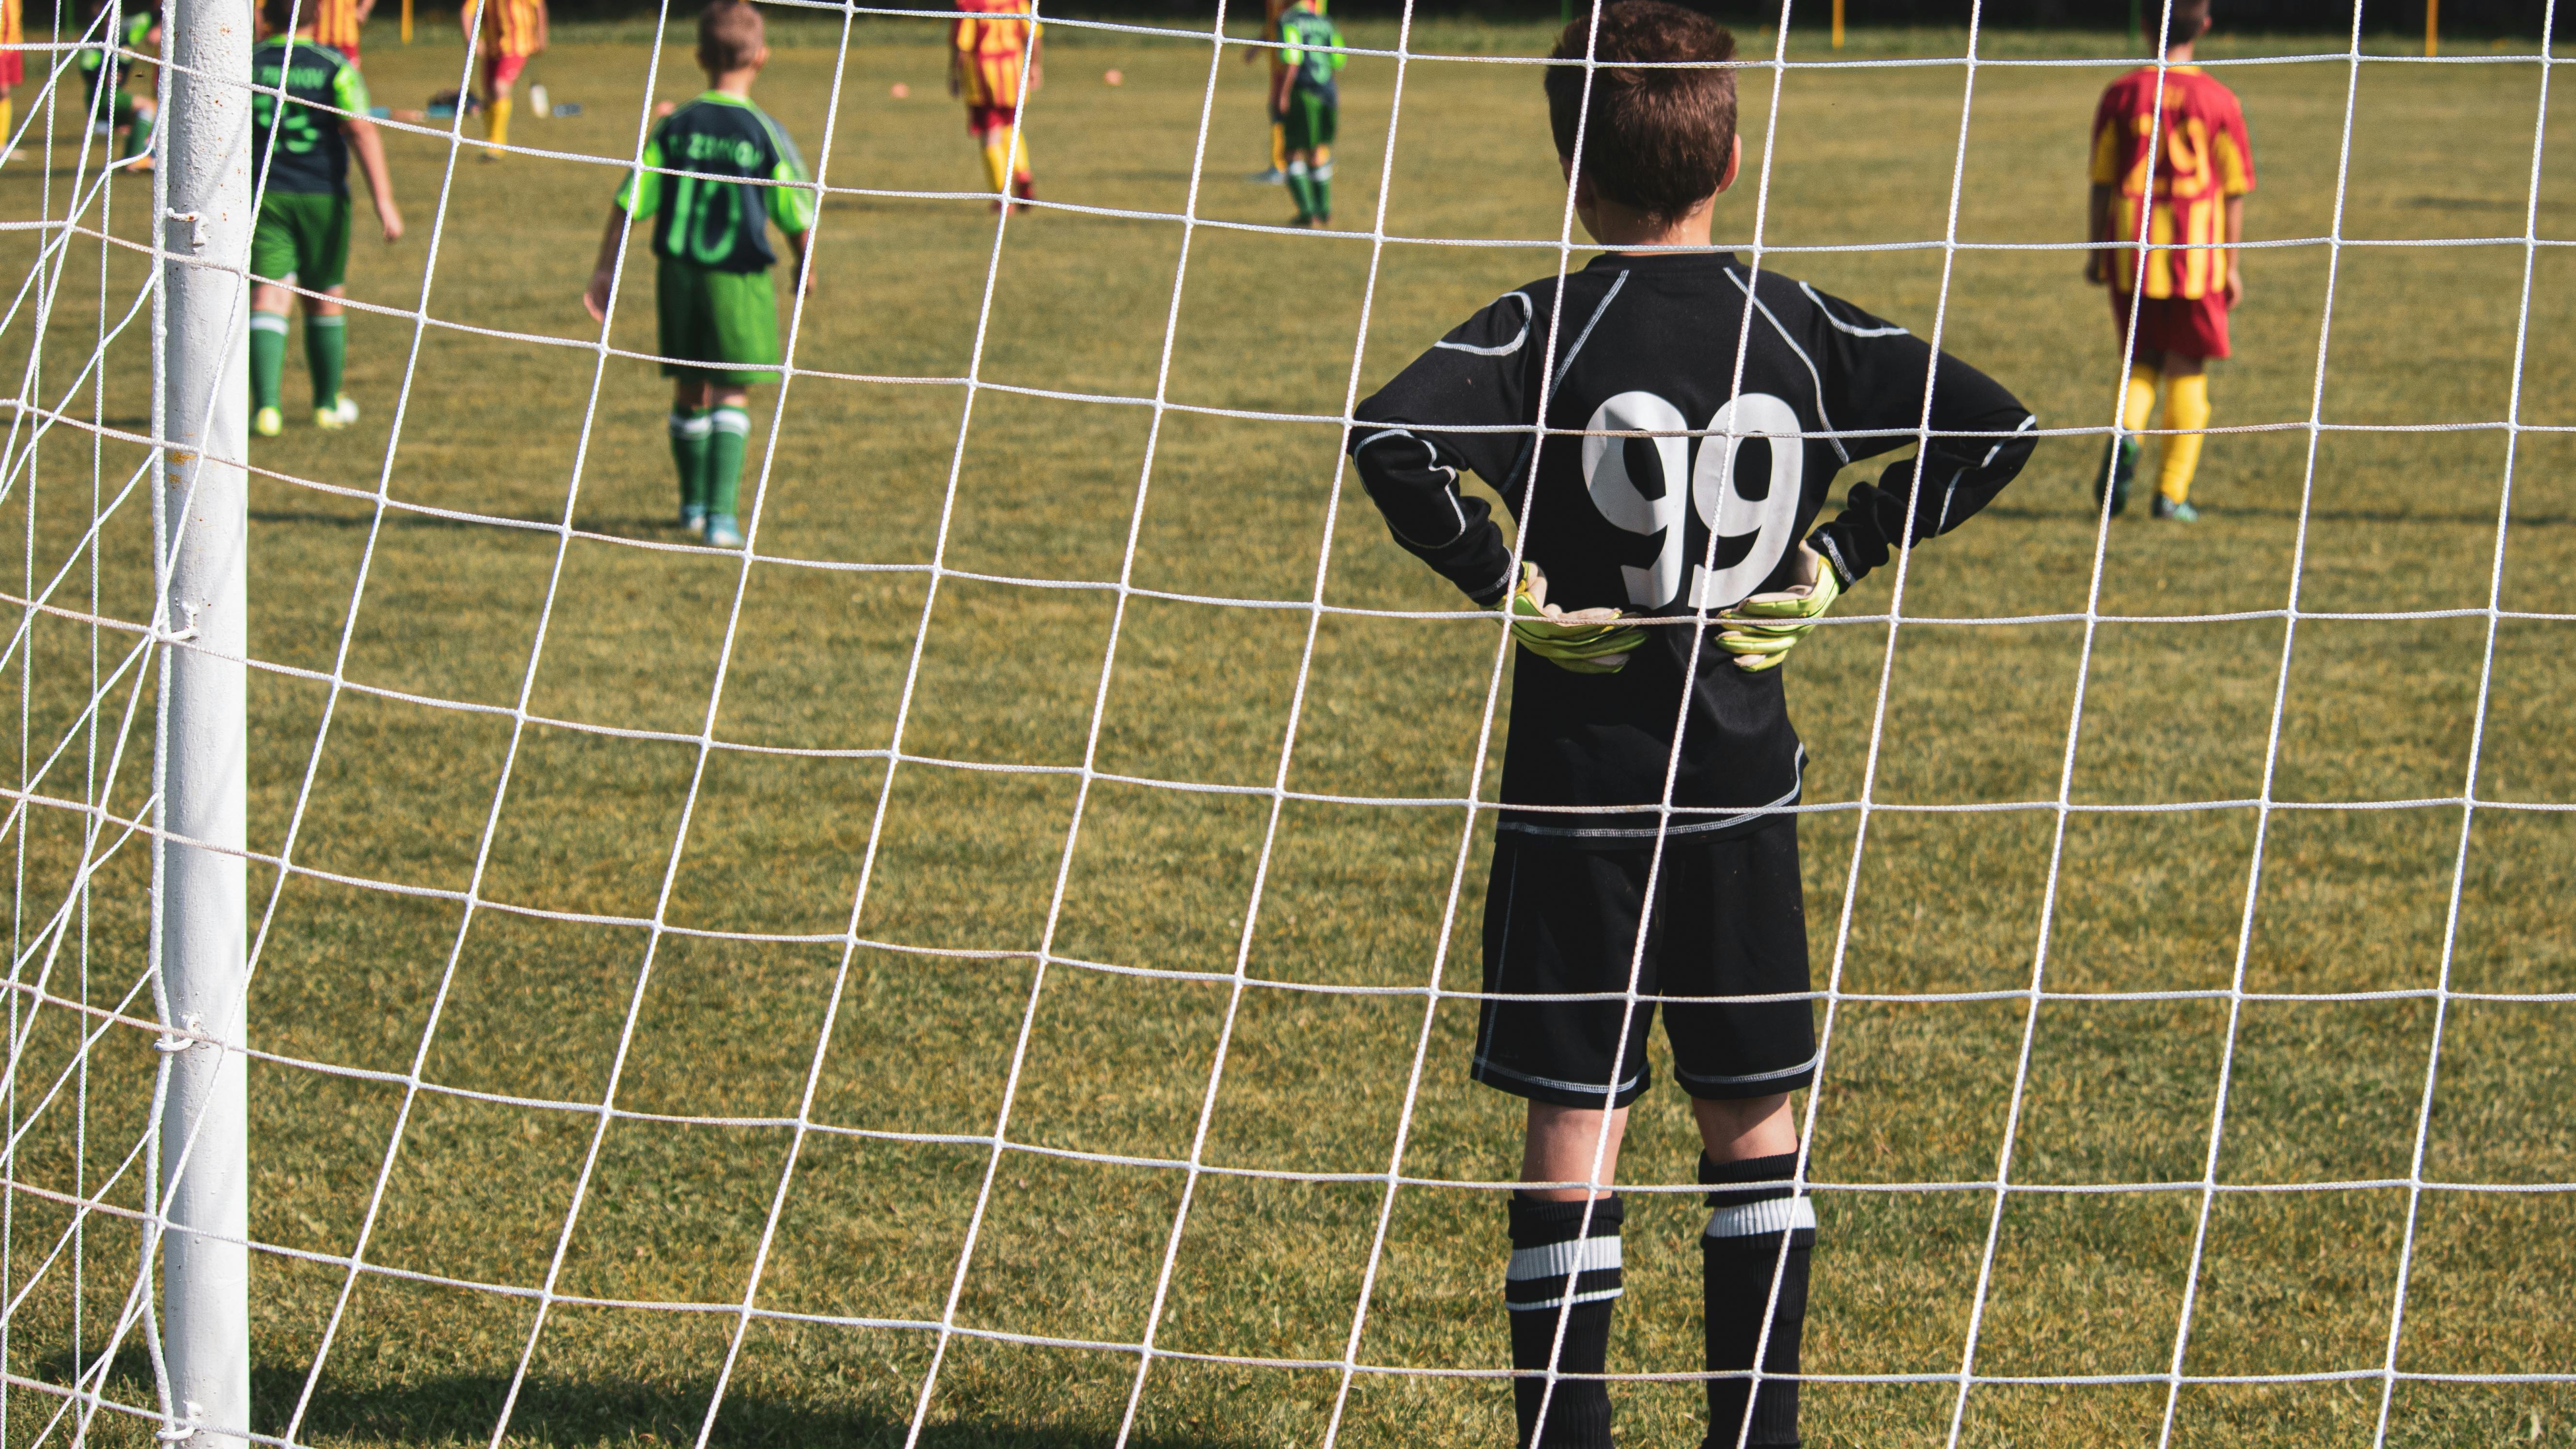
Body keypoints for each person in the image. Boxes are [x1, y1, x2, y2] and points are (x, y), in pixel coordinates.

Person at [1346, 5, 2036, 1447]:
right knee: (1750, 1116)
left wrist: (1499, 582)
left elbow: (1389, 437)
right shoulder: (1795, 323)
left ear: (1570, 170)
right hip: (1736, 785)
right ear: (1730, 155)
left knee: (1571, 1118)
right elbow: (1995, 427)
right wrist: (1841, 554)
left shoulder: (1545, 327)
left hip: (1574, 790)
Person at [582, 0, 813, 550]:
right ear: (761, 58)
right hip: (739, 279)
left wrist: (605, 268)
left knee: (689, 387)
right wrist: (806, 263)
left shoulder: (675, 126)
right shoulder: (763, 131)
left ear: (699, 58)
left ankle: (690, 506)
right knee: (731, 390)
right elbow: (796, 210)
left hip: (678, 277)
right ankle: (721, 518)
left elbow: (629, 200)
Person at [2086, 0, 2253, 521]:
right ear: (2205, 26)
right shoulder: (2219, 99)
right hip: (2195, 254)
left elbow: (2103, 180)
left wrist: (2096, 249)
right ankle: (2170, 493)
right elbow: (2234, 189)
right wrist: (2230, 263)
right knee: (2187, 365)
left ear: (2144, 25)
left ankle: (2127, 434)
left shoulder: (2122, 93)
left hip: (2131, 248)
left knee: (2142, 358)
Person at [246, 0, 401, 438]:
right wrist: (384, 201)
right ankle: (326, 405)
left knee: (269, 295)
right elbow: (361, 129)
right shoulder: (334, 65)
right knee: (325, 294)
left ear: (265, 16)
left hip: (264, 194)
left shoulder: (249, 63)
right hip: (322, 195)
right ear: (317, 16)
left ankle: (268, 409)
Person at [950, 0, 1037, 209]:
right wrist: (1035, 65)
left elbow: (963, 45)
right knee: (1010, 127)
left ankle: (1002, 196)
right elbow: (1033, 32)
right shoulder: (1015, 1)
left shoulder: (971, 4)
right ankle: (1023, 175)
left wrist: (954, 74)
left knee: (990, 134)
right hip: (1014, 70)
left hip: (984, 74)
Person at [1271, 0, 1340, 227]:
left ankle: (1308, 213)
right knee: (1317, 150)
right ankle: (1324, 211)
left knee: (1290, 152)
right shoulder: (1325, 21)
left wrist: (1283, 94)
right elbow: (1339, 59)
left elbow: (1293, 58)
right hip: (1328, 91)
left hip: (1303, 92)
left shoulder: (1289, 20)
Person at [77, 0, 157, 172]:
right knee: (147, 108)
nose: (110, 24)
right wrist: (102, 76)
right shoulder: (94, 44)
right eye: (105, 21)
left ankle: (137, 157)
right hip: (101, 97)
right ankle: (135, 160)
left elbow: (148, 18)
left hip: (115, 95)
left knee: (151, 113)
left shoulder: (127, 33)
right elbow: (87, 68)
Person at [461, 0, 544, 159]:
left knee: (500, 88)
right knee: (489, 94)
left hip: (518, 45)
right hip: (492, 47)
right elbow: (467, 12)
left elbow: (539, 6)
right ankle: (490, 141)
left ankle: (497, 145)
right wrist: (471, 40)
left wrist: (541, 36)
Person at [1240, 0, 1295, 186]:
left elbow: (1292, 24)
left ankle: (1284, 166)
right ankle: (1288, 165)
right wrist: (1257, 46)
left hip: (1292, 66)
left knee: (1284, 112)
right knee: (1279, 112)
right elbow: (1275, 26)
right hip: (1283, 65)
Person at [309, 0, 374, 67]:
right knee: (319, 71)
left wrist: (363, 9)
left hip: (347, 37)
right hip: (320, 37)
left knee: (350, 72)